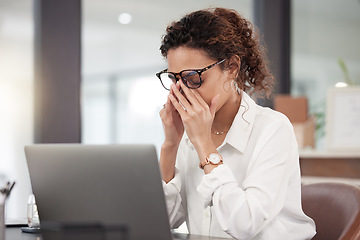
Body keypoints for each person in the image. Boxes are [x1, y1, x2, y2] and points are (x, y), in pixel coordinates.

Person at [156, 7, 316, 240]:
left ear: (231, 68)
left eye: (192, 78)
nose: (181, 92)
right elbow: (164, 220)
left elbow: (244, 225)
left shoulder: (273, 128)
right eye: (174, 79)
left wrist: (204, 143)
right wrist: (170, 144)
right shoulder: (186, 133)